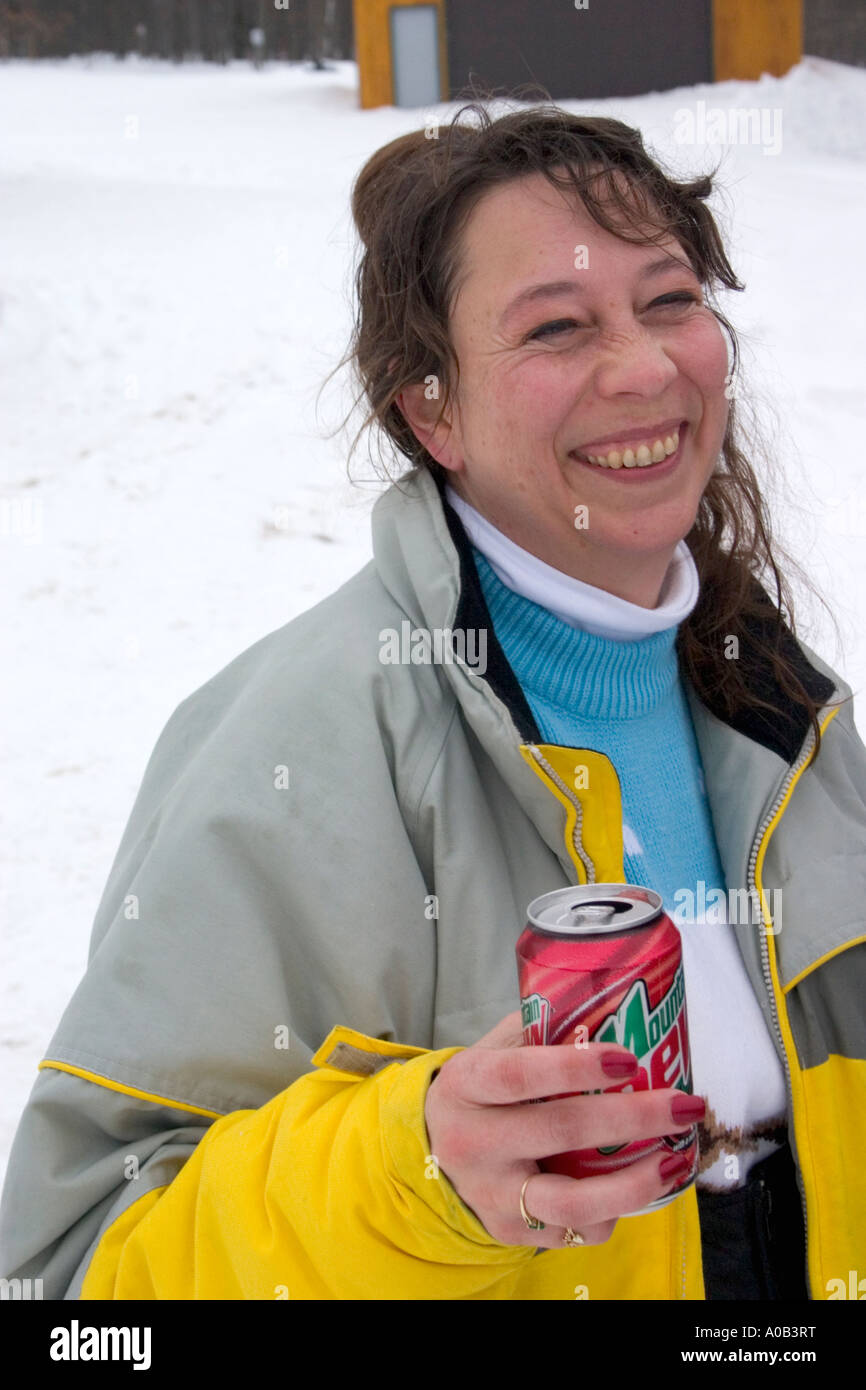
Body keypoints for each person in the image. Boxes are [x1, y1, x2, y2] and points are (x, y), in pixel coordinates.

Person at [1, 102, 864, 1302]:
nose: (645, 364)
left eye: (667, 300)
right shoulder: (293, 743)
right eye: (557, 328)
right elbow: (76, 1279)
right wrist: (414, 1175)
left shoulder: (778, 706)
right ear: (431, 410)